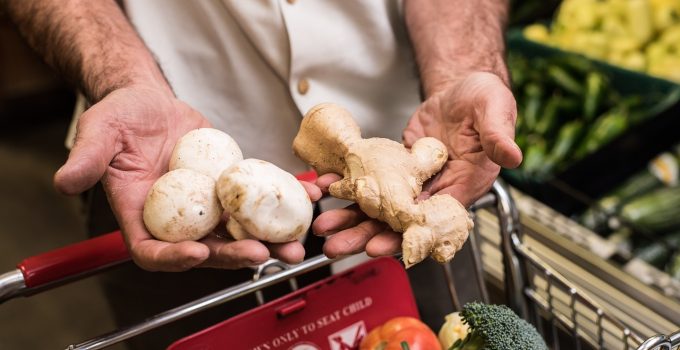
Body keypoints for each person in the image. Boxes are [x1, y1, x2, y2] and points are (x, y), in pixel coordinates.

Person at [3, 0, 522, 348]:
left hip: (416, 159)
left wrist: (459, 70)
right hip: (163, 160)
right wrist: (123, 82)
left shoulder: (412, 187)